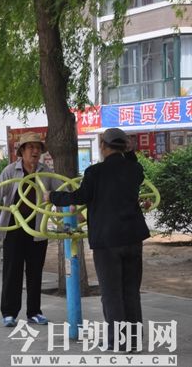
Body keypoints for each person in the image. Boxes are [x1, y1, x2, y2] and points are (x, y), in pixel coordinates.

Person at [46, 128, 149, 352]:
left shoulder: (95, 172)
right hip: (133, 238)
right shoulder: (135, 170)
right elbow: (136, 171)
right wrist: (130, 153)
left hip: (107, 241)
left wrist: (52, 196)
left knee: (112, 293)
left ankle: (118, 342)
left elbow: (80, 197)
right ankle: (133, 341)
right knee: (131, 291)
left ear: (102, 146)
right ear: (124, 147)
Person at [0, 132, 59, 327]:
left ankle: (34, 312)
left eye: (38, 148)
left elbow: (61, 191)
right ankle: (9, 313)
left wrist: (74, 209)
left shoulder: (45, 172)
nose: (35, 151)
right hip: (14, 228)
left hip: (37, 228)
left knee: (35, 272)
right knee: (12, 272)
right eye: (31, 147)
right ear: (22, 151)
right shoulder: (11, 171)